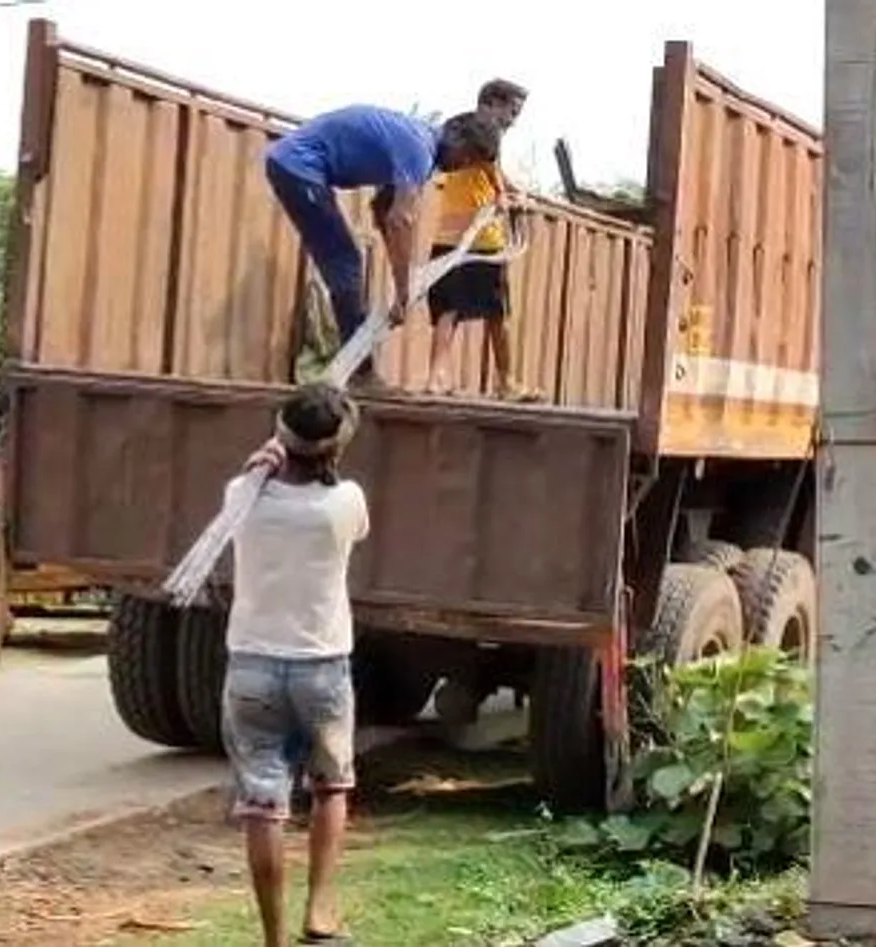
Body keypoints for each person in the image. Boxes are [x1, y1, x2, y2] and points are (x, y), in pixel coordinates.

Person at [222, 383, 369, 947]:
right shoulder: (346, 502)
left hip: (252, 665)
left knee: (263, 805)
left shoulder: (242, 493)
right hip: (322, 665)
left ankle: (273, 939)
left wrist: (258, 467)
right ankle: (321, 913)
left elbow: (248, 491)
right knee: (331, 789)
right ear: (333, 449)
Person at [266, 106, 503, 389]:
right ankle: (361, 373)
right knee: (346, 264)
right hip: (298, 167)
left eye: (470, 163)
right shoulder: (419, 150)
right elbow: (400, 220)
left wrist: (399, 277)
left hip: (294, 165)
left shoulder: (419, 149)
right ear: (454, 134)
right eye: (466, 155)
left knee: (346, 263)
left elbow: (383, 210)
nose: (461, 164)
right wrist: (404, 290)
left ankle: (358, 369)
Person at [425, 78, 542, 402]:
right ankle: (504, 382)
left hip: (450, 236)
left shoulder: (458, 131)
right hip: (478, 239)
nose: (513, 120)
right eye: (511, 111)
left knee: (452, 311)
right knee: (492, 314)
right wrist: (507, 199)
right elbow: (494, 181)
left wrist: (515, 192)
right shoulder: (482, 132)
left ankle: (438, 378)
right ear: (490, 103)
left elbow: (493, 174)